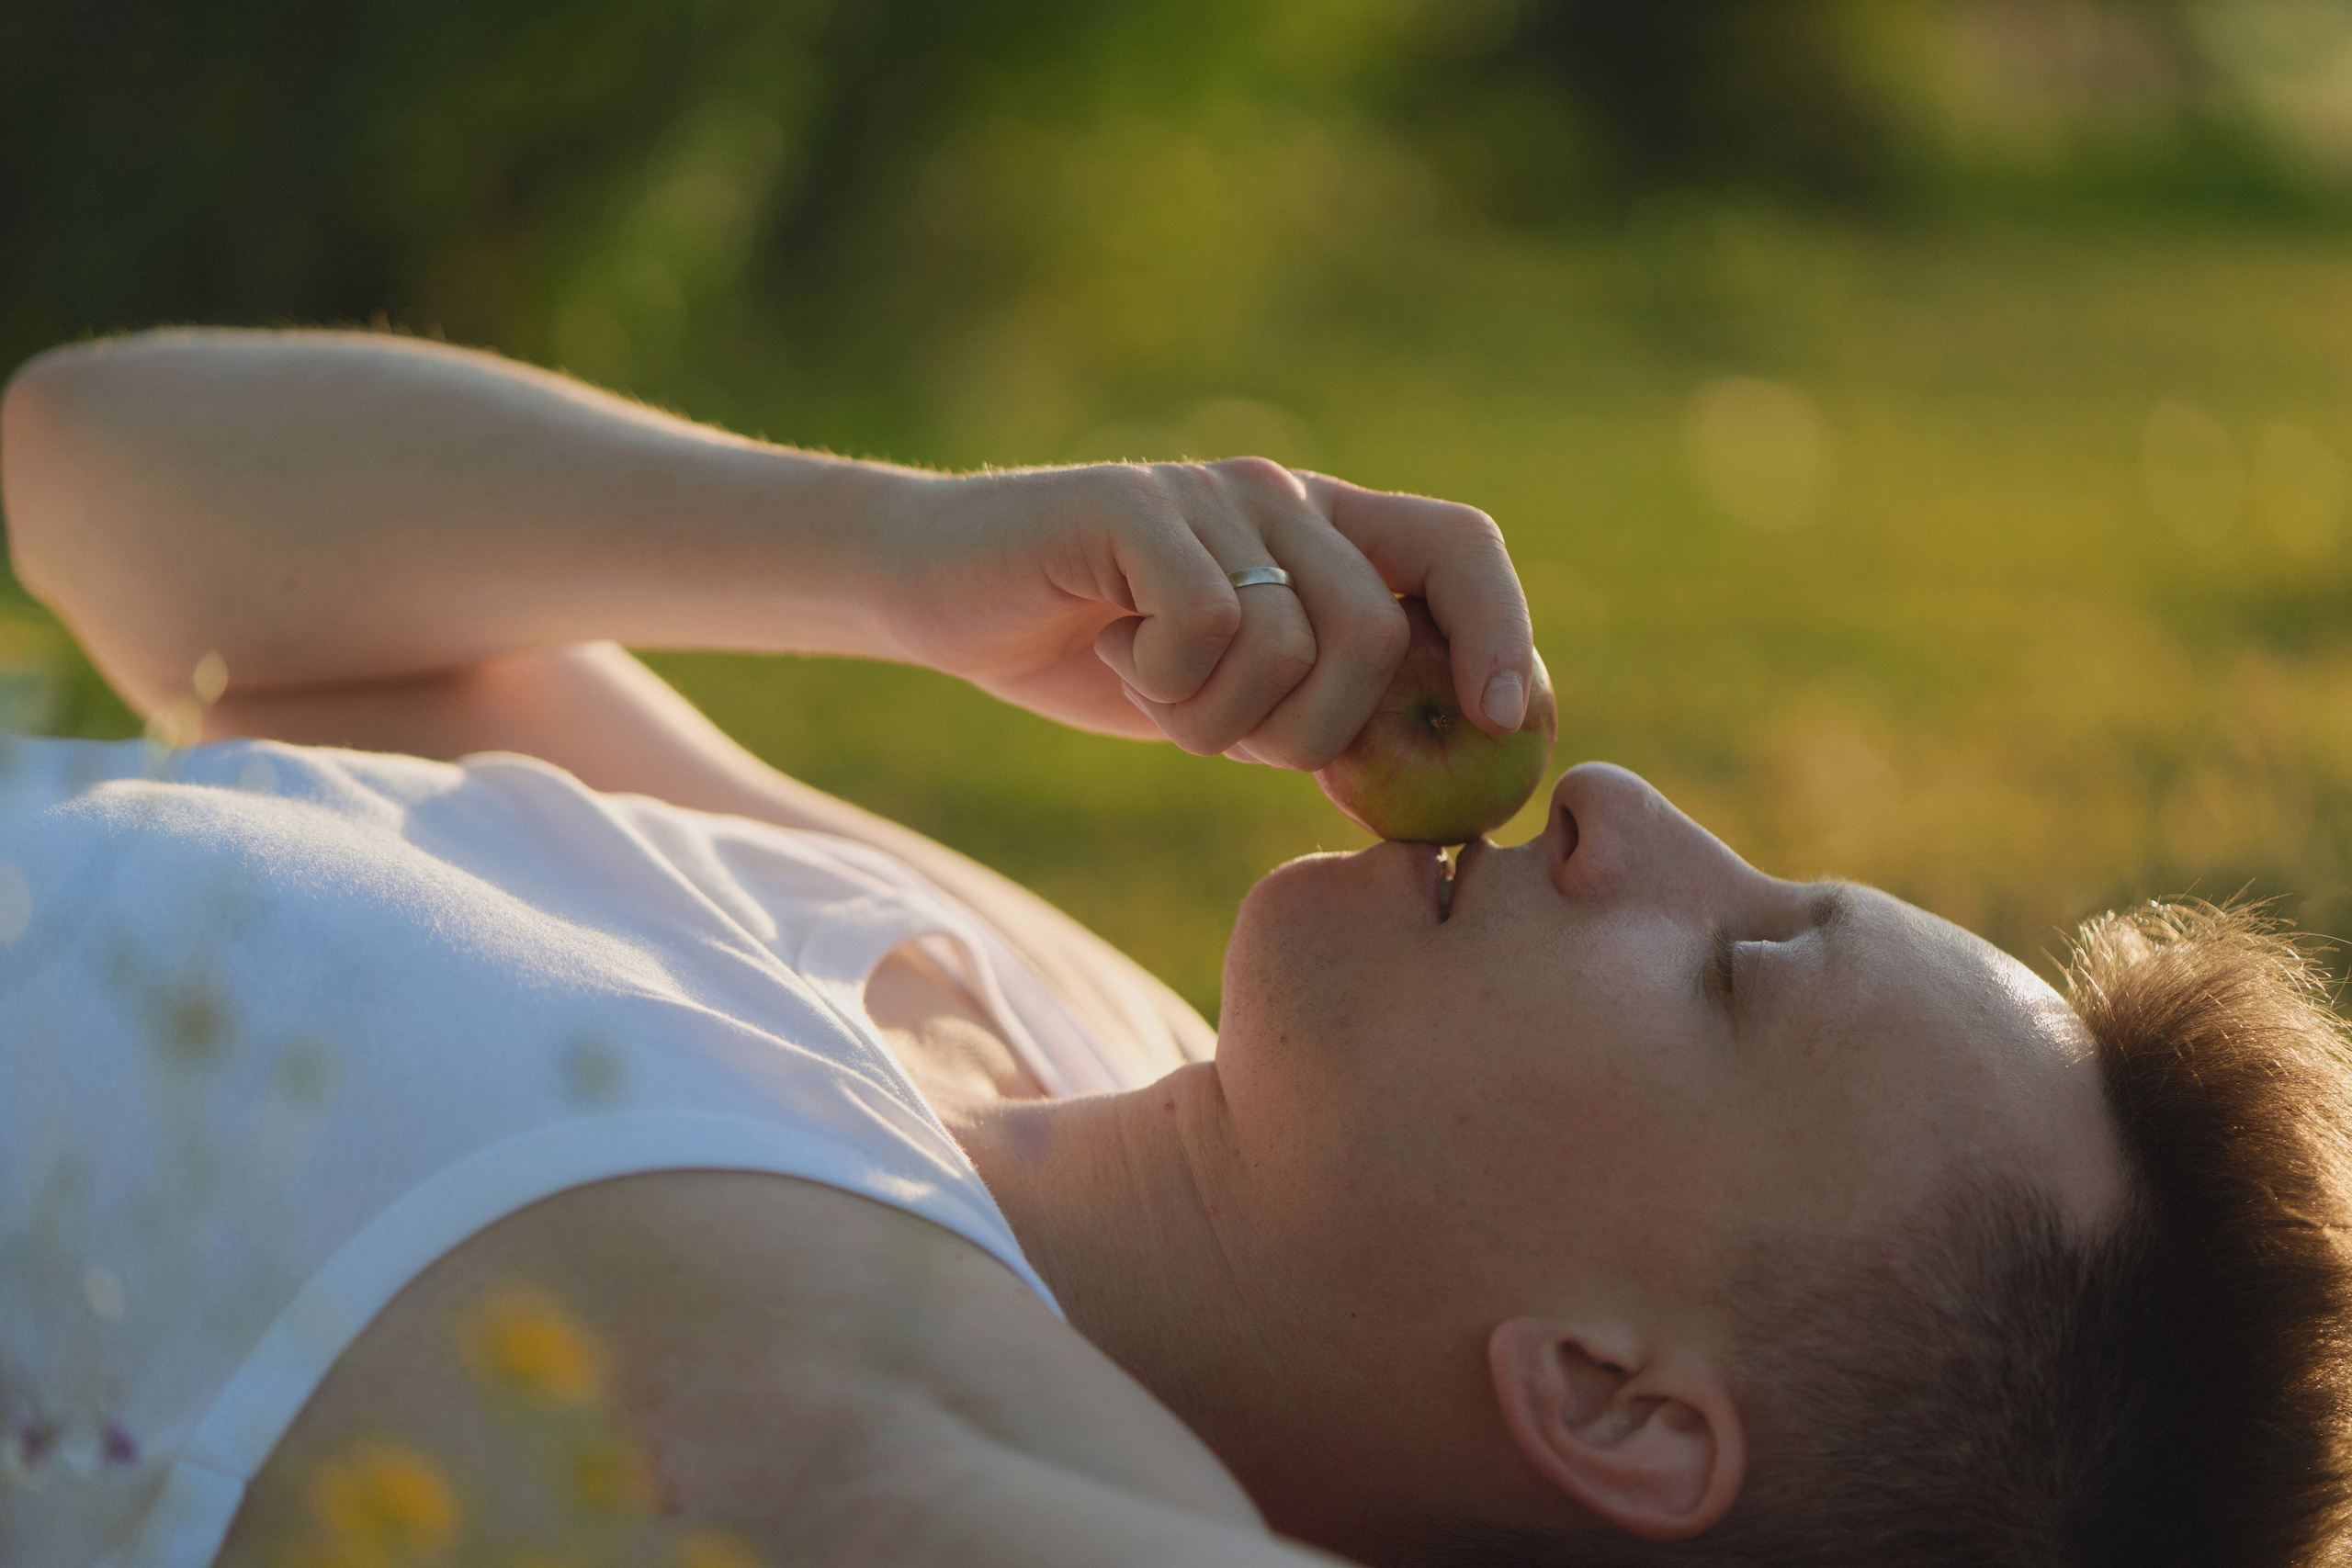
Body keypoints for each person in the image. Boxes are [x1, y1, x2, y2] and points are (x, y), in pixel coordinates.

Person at [1, 331, 2346, 1568]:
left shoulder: (882, 1444)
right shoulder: (1011, 1017)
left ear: (1615, 1399)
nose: (1631, 812)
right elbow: (114, 479)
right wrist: (895, 561)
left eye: (1741, 968)